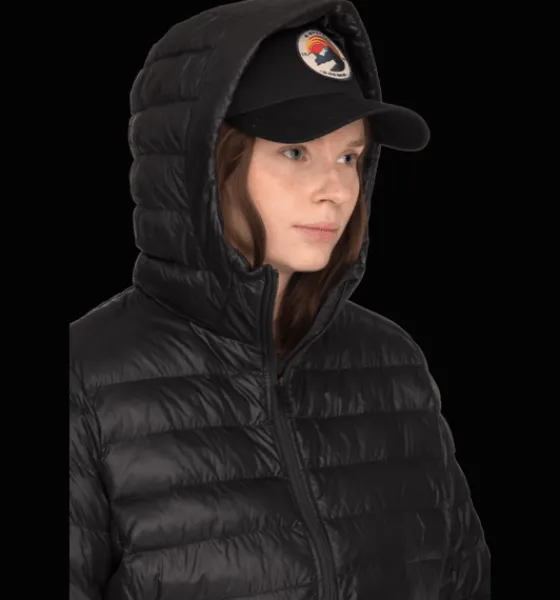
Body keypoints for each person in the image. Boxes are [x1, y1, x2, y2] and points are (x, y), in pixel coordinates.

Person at [69, 0, 491, 598]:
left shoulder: (392, 364)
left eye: (349, 156)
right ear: (204, 166)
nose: (335, 190)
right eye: (295, 152)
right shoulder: (87, 377)